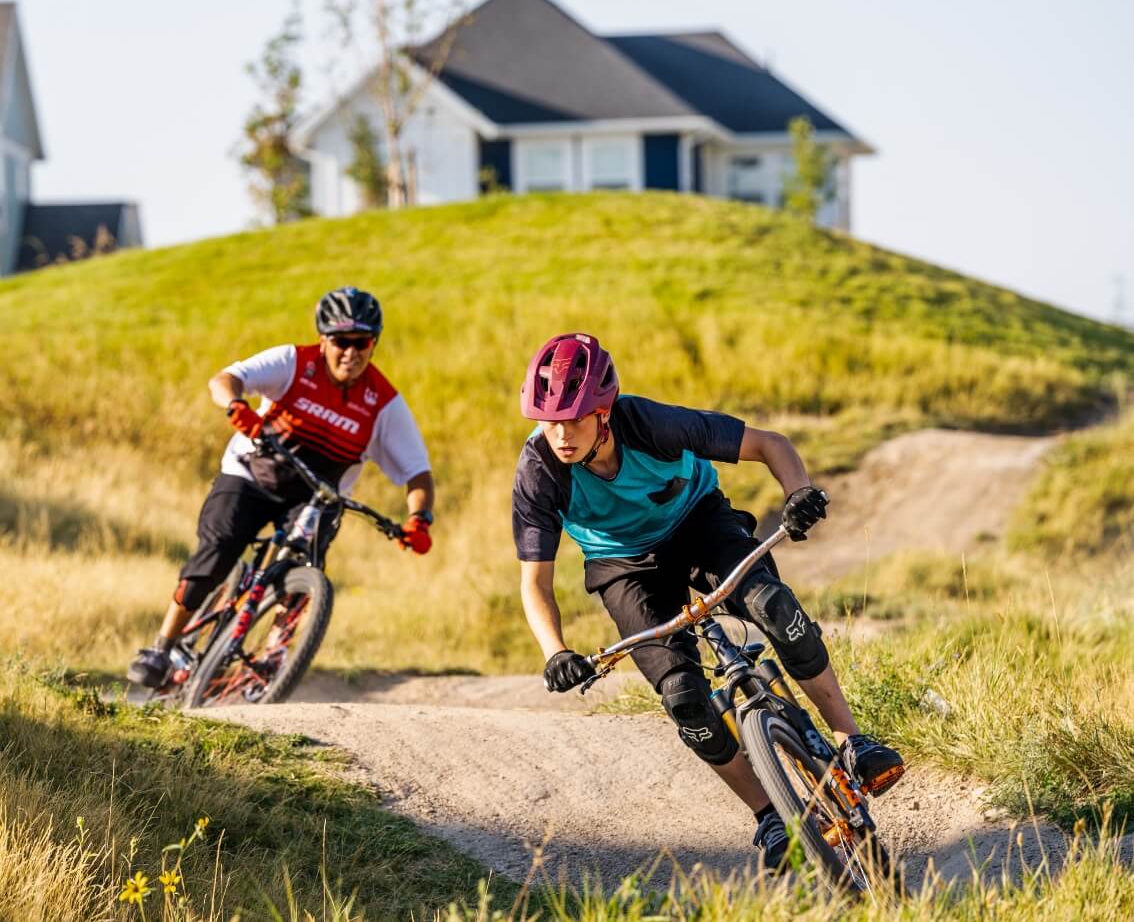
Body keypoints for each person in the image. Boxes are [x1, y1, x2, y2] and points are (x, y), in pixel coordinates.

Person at [511, 332, 904, 870]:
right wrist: (555, 651)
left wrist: (798, 494)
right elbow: (535, 582)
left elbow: (770, 444)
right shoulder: (539, 469)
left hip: (698, 523)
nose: (559, 433)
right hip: (624, 567)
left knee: (774, 607)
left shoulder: (650, 424)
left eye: (573, 419)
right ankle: (770, 815)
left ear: (604, 412)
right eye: (547, 420)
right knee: (684, 698)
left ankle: (853, 742)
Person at [128, 286, 435, 688]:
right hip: (251, 475)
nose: (351, 352)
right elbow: (226, 379)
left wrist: (420, 519)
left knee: (306, 566)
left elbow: (419, 472)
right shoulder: (294, 362)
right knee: (218, 551)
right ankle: (162, 645)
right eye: (341, 341)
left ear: (373, 343)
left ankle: (275, 655)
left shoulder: (383, 402)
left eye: (362, 342)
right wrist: (237, 407)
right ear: (324, 340)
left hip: (315, 496)